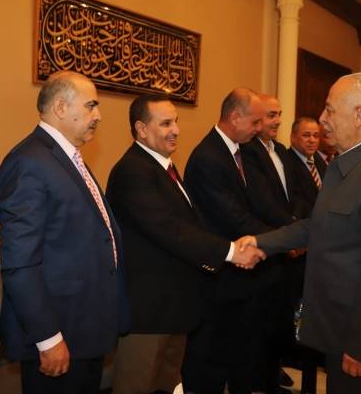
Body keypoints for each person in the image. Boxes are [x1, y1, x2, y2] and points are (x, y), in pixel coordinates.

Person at [241, 73, 361, 394]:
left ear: (359, 115)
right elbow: (319, 225)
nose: (323, 119)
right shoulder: (346, 165)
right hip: (340, 325)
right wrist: (261, 243)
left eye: (330, 110)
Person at [106, 93, 261, 394]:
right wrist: (230, 251)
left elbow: (189, 225)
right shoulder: (132, 170)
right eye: (165, 124)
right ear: (141, 129)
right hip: (148, 314)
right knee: (138, 386)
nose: (176, 130)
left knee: (166, 385)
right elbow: (169, 229)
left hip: (174, 308)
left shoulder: (163, 167)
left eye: (175, 121)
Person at [0, 70, 130, 394]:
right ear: (60, 108)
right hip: (59, 333)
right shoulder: (29, 162)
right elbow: (20, 263)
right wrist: (48, 338)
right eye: (91, 105)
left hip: (84, 329)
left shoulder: (66, 158)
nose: (98, 115)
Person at [181, 88, 278, 393]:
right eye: (255, 121)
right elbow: (231, 216)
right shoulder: (208, 157)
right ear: (235, 117)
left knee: (240, 356)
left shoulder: (241, 152)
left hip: (241, 277)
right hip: (219, 278)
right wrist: (278, 240)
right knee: (211, 360)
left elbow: (257, 205)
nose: (259, 128)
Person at [239, 94, 301, 393]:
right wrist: (291, 233)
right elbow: (262, 202)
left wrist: (298, 228)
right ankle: (259, 380)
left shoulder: (282, 151)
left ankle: (272, 376)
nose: (277, 121)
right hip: (268, 244)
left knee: (279, 319)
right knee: (260, 323)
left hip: (285, 244)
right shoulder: (248, 152)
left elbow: (294, 195)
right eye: (270, 115)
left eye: (279, 114)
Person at [286, 116, 328, 394]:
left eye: (316, 135)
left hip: (320, 248)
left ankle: (315, 353)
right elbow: (295, 204)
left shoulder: (322, 163)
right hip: (300, 247)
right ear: (293, 137)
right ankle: (298, 355)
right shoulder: (287, 163)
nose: (312, 140)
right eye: (306, 135)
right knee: (298, 310)